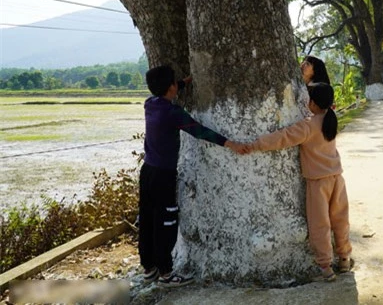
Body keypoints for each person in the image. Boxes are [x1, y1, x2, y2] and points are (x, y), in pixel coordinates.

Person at [235, 82, 353, 282]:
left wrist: (254, 145)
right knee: (340, 219)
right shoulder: (330, 121)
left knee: (320, 224)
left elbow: (282, 137)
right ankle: (344, 258)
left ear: (313, 103)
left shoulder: (308, 125)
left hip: (318, 183)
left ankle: (325, 267)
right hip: (337, 178)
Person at [140, 65, 243, 287]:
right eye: (175, 83)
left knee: (148, 218)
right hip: (163, 175)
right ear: (171, 88)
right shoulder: (173, 113)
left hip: (147, 171)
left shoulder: (150, 104)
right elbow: (198, 130)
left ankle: (149, 268)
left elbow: (171, 89)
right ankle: (167, 274)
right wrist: (230, 143)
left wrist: (186, 81)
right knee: (166, 221)